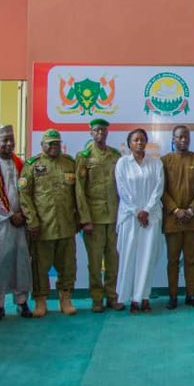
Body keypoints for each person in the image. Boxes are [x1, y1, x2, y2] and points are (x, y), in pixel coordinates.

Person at [19, 130, 78, 317]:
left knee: (68, 265)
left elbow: (78, 194)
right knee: (40, 267)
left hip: (66, 224)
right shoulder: (32, 165)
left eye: (57, 143)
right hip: (43, 227)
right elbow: (24, 195)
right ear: (42, 145)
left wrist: (79, 218)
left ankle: (65, 299)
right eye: (50, 143)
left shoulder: (69, 163)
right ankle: (40, 300)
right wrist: (32, 221)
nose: (54, 147)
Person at [0, 125, 33, 320]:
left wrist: (23, 214)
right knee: (0, 262)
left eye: (11, 139)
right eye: (4, 140)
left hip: (21, 220)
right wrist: (10, 214)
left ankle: (22, 301)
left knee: (22, 260)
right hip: (0, 222)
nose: (9, 144)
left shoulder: (20, 163)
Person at [75, 118, 122, 313]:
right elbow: (79, 189)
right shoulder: (84, 157)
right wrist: (84, 219)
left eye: (103, 130)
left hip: (114, 217)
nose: (100, 133)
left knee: (113, 260)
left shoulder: (115, 155)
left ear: (107, 132)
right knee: (95, 262)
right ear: (91, 133)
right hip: (93, 219)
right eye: (97, 130)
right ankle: (96, 298)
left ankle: (112, 296)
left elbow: (122, 187)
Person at [115, 128, 164, 314]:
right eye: (135, 140)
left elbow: (158, 189)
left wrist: (146, 210)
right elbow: (122, 190)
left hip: (151, 218)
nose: (139, 142)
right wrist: (137, 211)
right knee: (129, 258)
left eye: (142, 139)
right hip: (129, 217)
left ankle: (143, 298)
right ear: (129, 143)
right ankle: (129, 299)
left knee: (147, 259)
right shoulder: (122, 163)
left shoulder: (155, 163)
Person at [161, 125, 194, 310]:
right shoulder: (165, 161)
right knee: (172, 261)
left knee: (191, 260)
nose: (183, 140)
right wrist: (174, 209)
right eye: (179, 137)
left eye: (186, 137)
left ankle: (191, 294)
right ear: (173, 139)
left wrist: (191, 209)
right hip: (172, 220)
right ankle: (173, 296)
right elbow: (161, 190)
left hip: (193, 219)